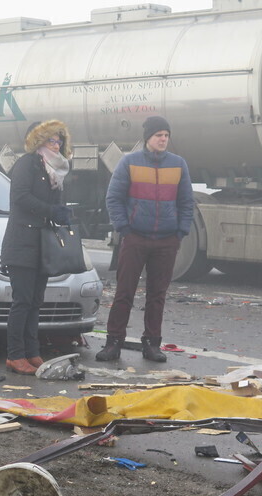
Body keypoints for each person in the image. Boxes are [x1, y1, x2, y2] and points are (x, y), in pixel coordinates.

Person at [96, 115, 194, 363]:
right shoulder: (129, 162)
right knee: (124, 292)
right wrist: (124, 228)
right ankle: (113, 343)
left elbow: (185, 201)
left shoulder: (178, 164)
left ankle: (152, 344)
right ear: (148, 137)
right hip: (135, 238)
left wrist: (180, 231)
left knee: (157, 294)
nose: (163, 139)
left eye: (166, 135)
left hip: (166, 241)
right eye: (158, 135)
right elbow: (114, 198)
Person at [1, 120, 73, 375]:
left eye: (59, 141)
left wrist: (61, 212)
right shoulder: (27, 163)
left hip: (42, 244)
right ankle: (15, 355)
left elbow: (52, 202)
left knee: (36, 301)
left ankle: (32, 352)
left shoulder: (55, 171)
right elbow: (20, 197)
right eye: (51, 140)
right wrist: (50, 210)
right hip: (21, 243)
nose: (57, 145)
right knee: (22, 301)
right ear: (39, 141)